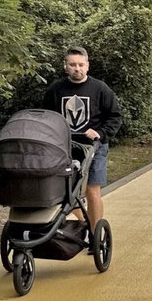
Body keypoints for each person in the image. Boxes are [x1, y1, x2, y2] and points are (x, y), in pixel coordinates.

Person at [42, 46, 123, 230]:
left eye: (80, 64)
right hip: (64, 148)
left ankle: (95, 233)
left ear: (87, 66)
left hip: (94, 147)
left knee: (92, 190)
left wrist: (100, 133)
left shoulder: (100, 89)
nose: (77, 68)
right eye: (72, 65)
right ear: (65, 66)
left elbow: (115, 116)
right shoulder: (55, 90)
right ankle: (84, 220)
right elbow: (46, 118)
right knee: (66, 191)